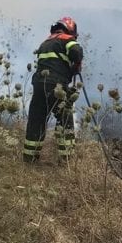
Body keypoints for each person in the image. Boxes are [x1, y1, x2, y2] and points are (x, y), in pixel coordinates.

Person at [23, 16, 83, 163]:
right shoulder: (67, 39)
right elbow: (77, 51)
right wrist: (76, 66)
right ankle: (67, 160)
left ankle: (29, 158)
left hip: (39, 85)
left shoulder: (46, 42)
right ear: (70, 30)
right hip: (56, 86)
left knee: (36, 120)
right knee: (65, 118)